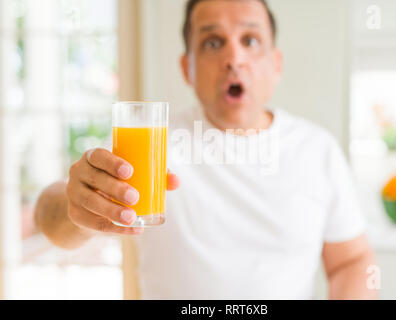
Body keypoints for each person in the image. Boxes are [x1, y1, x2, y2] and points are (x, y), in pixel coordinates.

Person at [34, 0, 377, 299]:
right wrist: (76, 208)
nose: (234, 58)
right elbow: (47, 217)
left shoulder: (318, 150)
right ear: (188, 68)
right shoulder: (151, 142)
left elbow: (352, 260)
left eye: (251, 40)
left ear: (276, 64)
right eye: (213, 42)